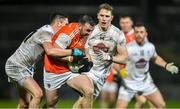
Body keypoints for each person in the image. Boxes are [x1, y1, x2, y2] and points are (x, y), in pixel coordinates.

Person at [5, 13, 68, 108]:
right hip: (17, 66)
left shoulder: (48, 32)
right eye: (66, 24)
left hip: (23, 67)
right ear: (59, 23)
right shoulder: (47, 32)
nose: (67, 28)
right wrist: (72, 53)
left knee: (24, 103)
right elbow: (50, 51)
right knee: (38, 94)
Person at [72, 3, 128, 108]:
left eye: (107, 16)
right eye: (102, 15)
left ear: (111, 18)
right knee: (86, 95)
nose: (104, 19)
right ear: (98, 15)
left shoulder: (118, 34)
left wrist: (110, 57)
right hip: (88, 70)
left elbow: (124, 58)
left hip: (102, 75)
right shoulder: (90, 30)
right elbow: (81, 46)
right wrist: (85, 55)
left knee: (82, 103)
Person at [116, 23, 179, 109]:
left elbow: (156, 58)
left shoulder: (150, 47)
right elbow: (117, 61)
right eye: (137, 32)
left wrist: (167, 65)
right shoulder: (128, 48)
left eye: (141, 32)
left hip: (145, 83)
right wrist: (122, 73)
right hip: (129, 83)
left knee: (161, 105)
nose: (139, 34)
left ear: (146, 34)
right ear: (134, 33)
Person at [43, 15, 95, 109]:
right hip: (53, 69)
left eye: (91, 30)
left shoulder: (86, 33)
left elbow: (85, 50)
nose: (89, 33)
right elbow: (53, 53)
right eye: (88, 30)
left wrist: (89, 61)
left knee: (89, 91)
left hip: (70, 70)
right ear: (79, 26)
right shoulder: (67, 35)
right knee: (51, 103)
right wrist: (72, 58)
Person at [120, 15, 156, 109]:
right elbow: (117, 57)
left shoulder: (139, 33)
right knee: (141, 100)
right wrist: (122, 73)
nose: (124, 25)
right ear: (120, 24)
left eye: (127, 22)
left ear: (131, 23)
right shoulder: (118, 36)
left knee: (150, 102)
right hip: (128, 74)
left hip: (142, 73)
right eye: (122, 23)